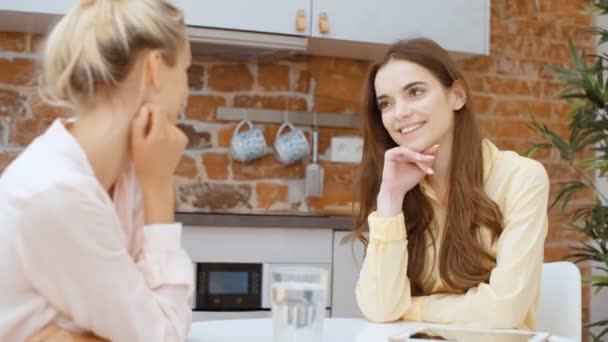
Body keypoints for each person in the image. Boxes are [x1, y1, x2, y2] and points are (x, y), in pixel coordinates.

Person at [0, 0, 194, 340]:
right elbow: (162, 334)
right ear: (155, 69)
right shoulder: (58, 192)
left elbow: (147, 323)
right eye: (186, 71)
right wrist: (160, 186)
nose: (186, 93)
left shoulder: (128, 173)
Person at [351, 38, 550, 330]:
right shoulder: (399, 188)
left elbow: (504, 312)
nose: (400, 113)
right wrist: (391, 200)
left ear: (457, 95)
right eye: (386, 104)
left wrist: (411, 308)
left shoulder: (520, 178)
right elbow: (380, 308)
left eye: (415, 92)